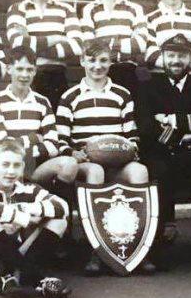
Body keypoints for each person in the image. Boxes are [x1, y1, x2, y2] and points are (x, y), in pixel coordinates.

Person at [56, 38, 150, 274]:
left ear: (111, 62)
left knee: (140, 172)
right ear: (82, 61)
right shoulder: (70, 96)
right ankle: (94, 251)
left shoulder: (122, 94)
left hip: (118, 160)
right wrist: (73, 153)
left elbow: (132, 133)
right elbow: (60, 138)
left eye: (103, 60)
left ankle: (137, 248)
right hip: (88, 162)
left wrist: (131, 149)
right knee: (96, 172)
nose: (97, 66)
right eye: (91, 60)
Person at [136, 34, 191, 272]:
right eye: (171, 55)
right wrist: (182, 133)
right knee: (158, 174)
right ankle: (157, 249)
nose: (176, 61)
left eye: (182, 56)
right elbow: (145, 126)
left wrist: (170, 119)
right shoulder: (148, 88)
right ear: (163, 58)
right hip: (162, 156)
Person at [0, 138, 71, 298]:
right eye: (5, 165)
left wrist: (23, 210)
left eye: (16, 165)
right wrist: (26, 219)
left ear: (22, 167)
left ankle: (14, 278)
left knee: (59, 221)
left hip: (18, 254)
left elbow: (62, 206)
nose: (11, 171)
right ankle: (38, 279)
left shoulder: (30, 189)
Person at [0, 46, 78, 206]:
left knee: (69, 164)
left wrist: (26, 149)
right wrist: (34, 138)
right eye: (19, 69)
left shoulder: (42, 102)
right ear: (9, 69)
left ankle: (61, 216)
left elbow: (53, 146)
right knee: (8, 159)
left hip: (35, 168)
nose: (24, 75)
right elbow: (2, 144)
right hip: (9, 167)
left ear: (35, 71)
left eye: (29, 70)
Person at [6, 0, 82, 108]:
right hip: (28, 75)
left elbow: (77, 46)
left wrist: (31, 41)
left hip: (57, 77)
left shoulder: (66, 10)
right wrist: (58, 38)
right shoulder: (17, 9)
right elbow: (17, 44)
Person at [79, 0, 147, 94]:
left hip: (127, 72)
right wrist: (125, 42)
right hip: (99, 71)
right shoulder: (90, 9)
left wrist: (102, 41)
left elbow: (140, 44)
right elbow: (89, 45)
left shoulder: (135, 9)